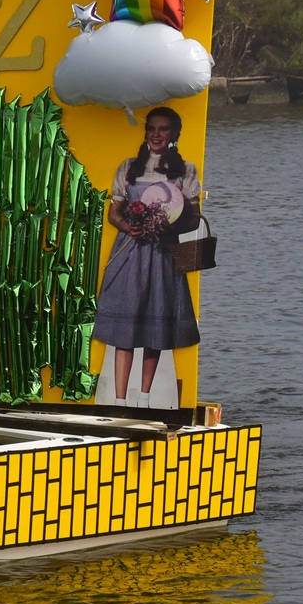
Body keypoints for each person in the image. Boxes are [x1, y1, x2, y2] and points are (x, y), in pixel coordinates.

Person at [94, 106, 202, 408]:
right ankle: (119, 401)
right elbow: (114, 212)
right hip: (131, 251)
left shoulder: (185, 170)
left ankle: (143, 398)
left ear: (174, 133)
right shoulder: (129, 167)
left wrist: (165, 225)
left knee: (155, 322)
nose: (156, 134)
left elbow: (194, 219)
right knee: (125, 325)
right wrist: (129, 226)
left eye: (163, 129)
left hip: (162, 253)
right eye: (151, 128)